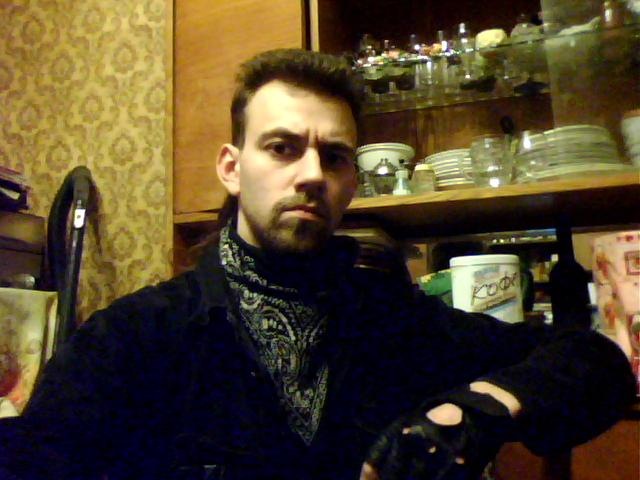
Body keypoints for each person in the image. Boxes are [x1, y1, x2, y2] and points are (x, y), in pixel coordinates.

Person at [0, 48, 635, 480]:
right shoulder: (133, 339)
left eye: (334, 157)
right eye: (282, 148)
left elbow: (597, 361)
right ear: (231, 167)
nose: (311, 175)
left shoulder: (395, 323)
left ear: (352, 182)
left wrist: (482, 408)